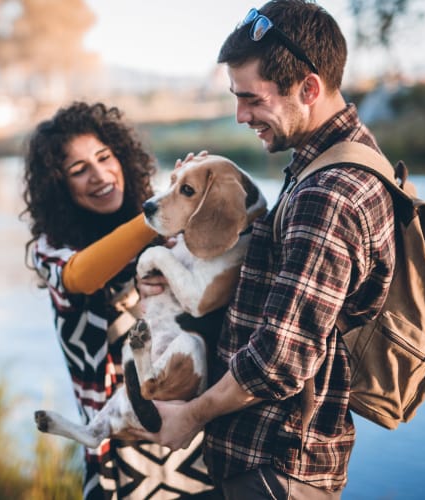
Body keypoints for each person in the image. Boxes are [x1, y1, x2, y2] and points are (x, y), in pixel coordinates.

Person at [131, 1, 396, 499]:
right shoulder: (325, 167)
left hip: (277, 470)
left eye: (252, 99)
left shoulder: (329, 193)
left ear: (309, 88)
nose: (240, 115)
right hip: (269, 464)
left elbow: (278, 361)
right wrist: (194, 210)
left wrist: (189, 416)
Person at [22, 101, 217, 499]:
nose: (100, 175)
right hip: (117, 455)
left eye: (104, 157)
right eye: (79, 171)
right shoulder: (54, 249)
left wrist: (197, 193)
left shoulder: (168, 236)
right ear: (60, 187)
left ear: (122, 157)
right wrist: (159, 213)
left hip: (190, 441)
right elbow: (80, 275)